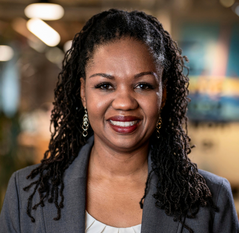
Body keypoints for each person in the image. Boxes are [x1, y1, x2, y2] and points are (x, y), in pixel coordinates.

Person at [0, 9, 238, 233]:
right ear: (83, 93)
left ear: (163, 95)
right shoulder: (26, 193)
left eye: (143, 85)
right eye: (105, 85)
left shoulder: (212, 198)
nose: (124, 102)